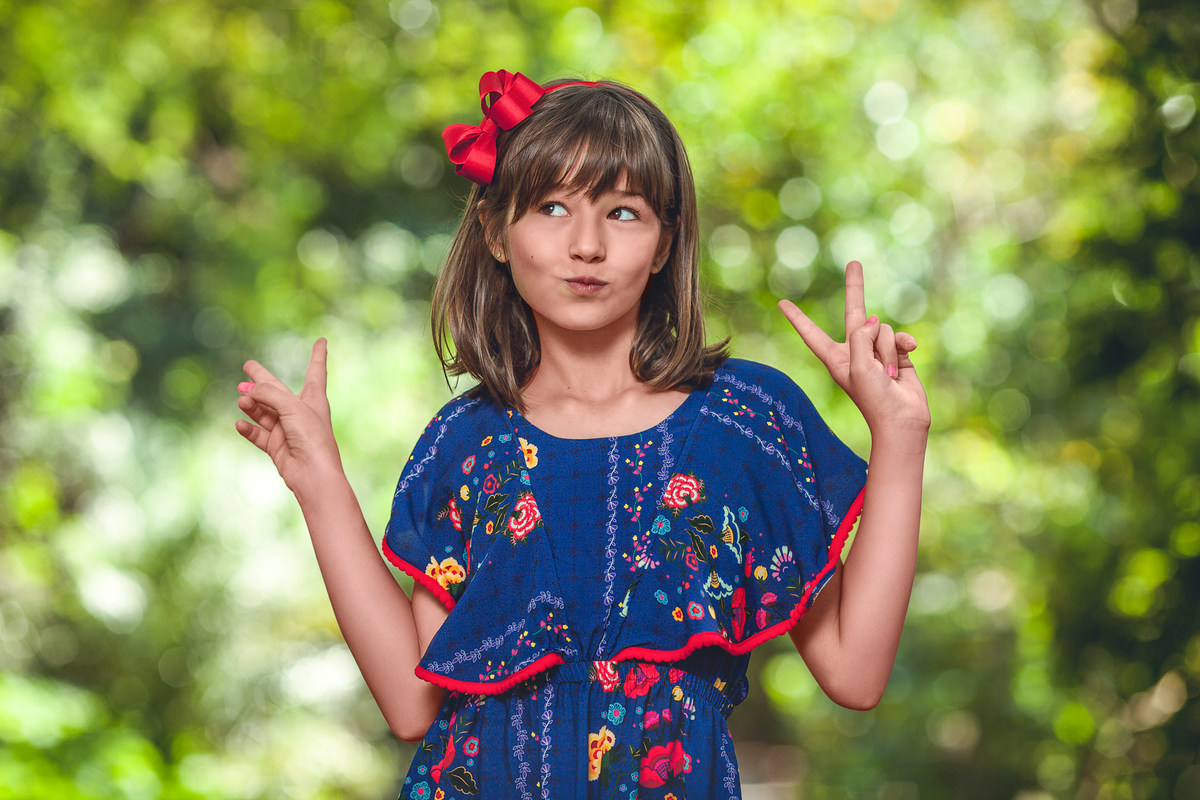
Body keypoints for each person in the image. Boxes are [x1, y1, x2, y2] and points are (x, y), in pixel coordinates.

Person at [235, 70, 929, 799]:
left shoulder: (744, 425)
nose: (587, 244)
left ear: (665, 243)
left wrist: (901, 435)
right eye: (553, 206)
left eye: (624, 212)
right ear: (496, 233)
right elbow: (412, 706)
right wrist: (317, 482)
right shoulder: (464, 445)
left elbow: (855, 672)